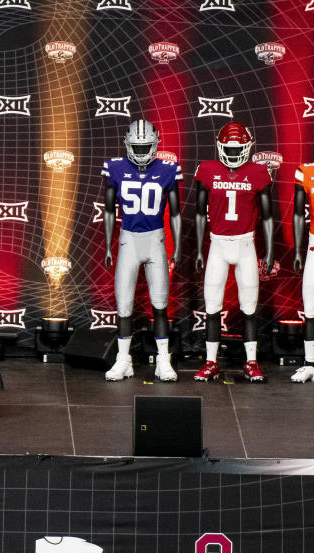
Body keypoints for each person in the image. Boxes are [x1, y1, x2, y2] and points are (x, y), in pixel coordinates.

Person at [101, 120, 182, 382]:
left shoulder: (168, 169)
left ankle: (163, 360)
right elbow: (109, 210)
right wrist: (109, 245)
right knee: (124, 306)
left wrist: (177, 246)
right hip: (128, 240)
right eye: (136, 146)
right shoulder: (115, 168)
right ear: (127, 144)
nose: (140, 151)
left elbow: (176, 213)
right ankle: (123, 359)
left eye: (145, 146)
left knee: (160, 305)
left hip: (155, 240)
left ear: (156, 143)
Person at [193, 122, 273, 382]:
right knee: (213, 306)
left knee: (249, 307)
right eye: (228, 147)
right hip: (217, 244)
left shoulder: (259, 172)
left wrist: (269, 252)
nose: (233, 152)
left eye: (237, 148)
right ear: (219, 146)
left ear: (248, 147)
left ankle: (251, 362)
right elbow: (199, 214)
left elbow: (267, 217)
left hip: (246, 245)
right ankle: (211, 361)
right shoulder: (207, 170)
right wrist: (199, 248)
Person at [292, 160, 314, 382]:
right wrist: (298, 250)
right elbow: (299, 213)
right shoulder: (306, 170)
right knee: (310, 308)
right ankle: (310, 363)